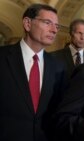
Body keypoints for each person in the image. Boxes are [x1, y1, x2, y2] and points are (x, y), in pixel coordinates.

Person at [0, 4, 66, 141]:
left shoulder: (58, 67)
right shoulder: (2, 57)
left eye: (57, 26)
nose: (54, 30)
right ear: (27, 23)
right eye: (47, 23)